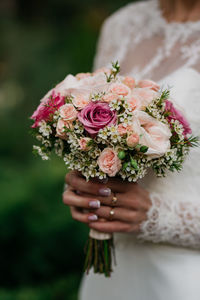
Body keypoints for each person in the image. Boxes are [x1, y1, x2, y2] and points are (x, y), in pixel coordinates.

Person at [63, 0, 200, 299]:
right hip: (112, 271)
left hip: (186, 276)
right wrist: (86, 182)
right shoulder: (121, 25)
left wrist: (156, 216)